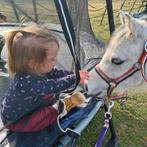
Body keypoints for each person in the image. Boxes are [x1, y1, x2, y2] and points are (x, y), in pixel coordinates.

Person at [0, 26, 89, 132]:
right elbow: (55, 85)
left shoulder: (34, 69)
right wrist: (75, 78)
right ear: (33, 63)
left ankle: (52, 104)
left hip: (28, 107)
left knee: (48, 95)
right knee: (45, 115)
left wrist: (75, 74)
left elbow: (56, 73)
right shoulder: (25, 83)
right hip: (17, 121)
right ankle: (63, 106)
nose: (55, 61)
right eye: (52, 58)